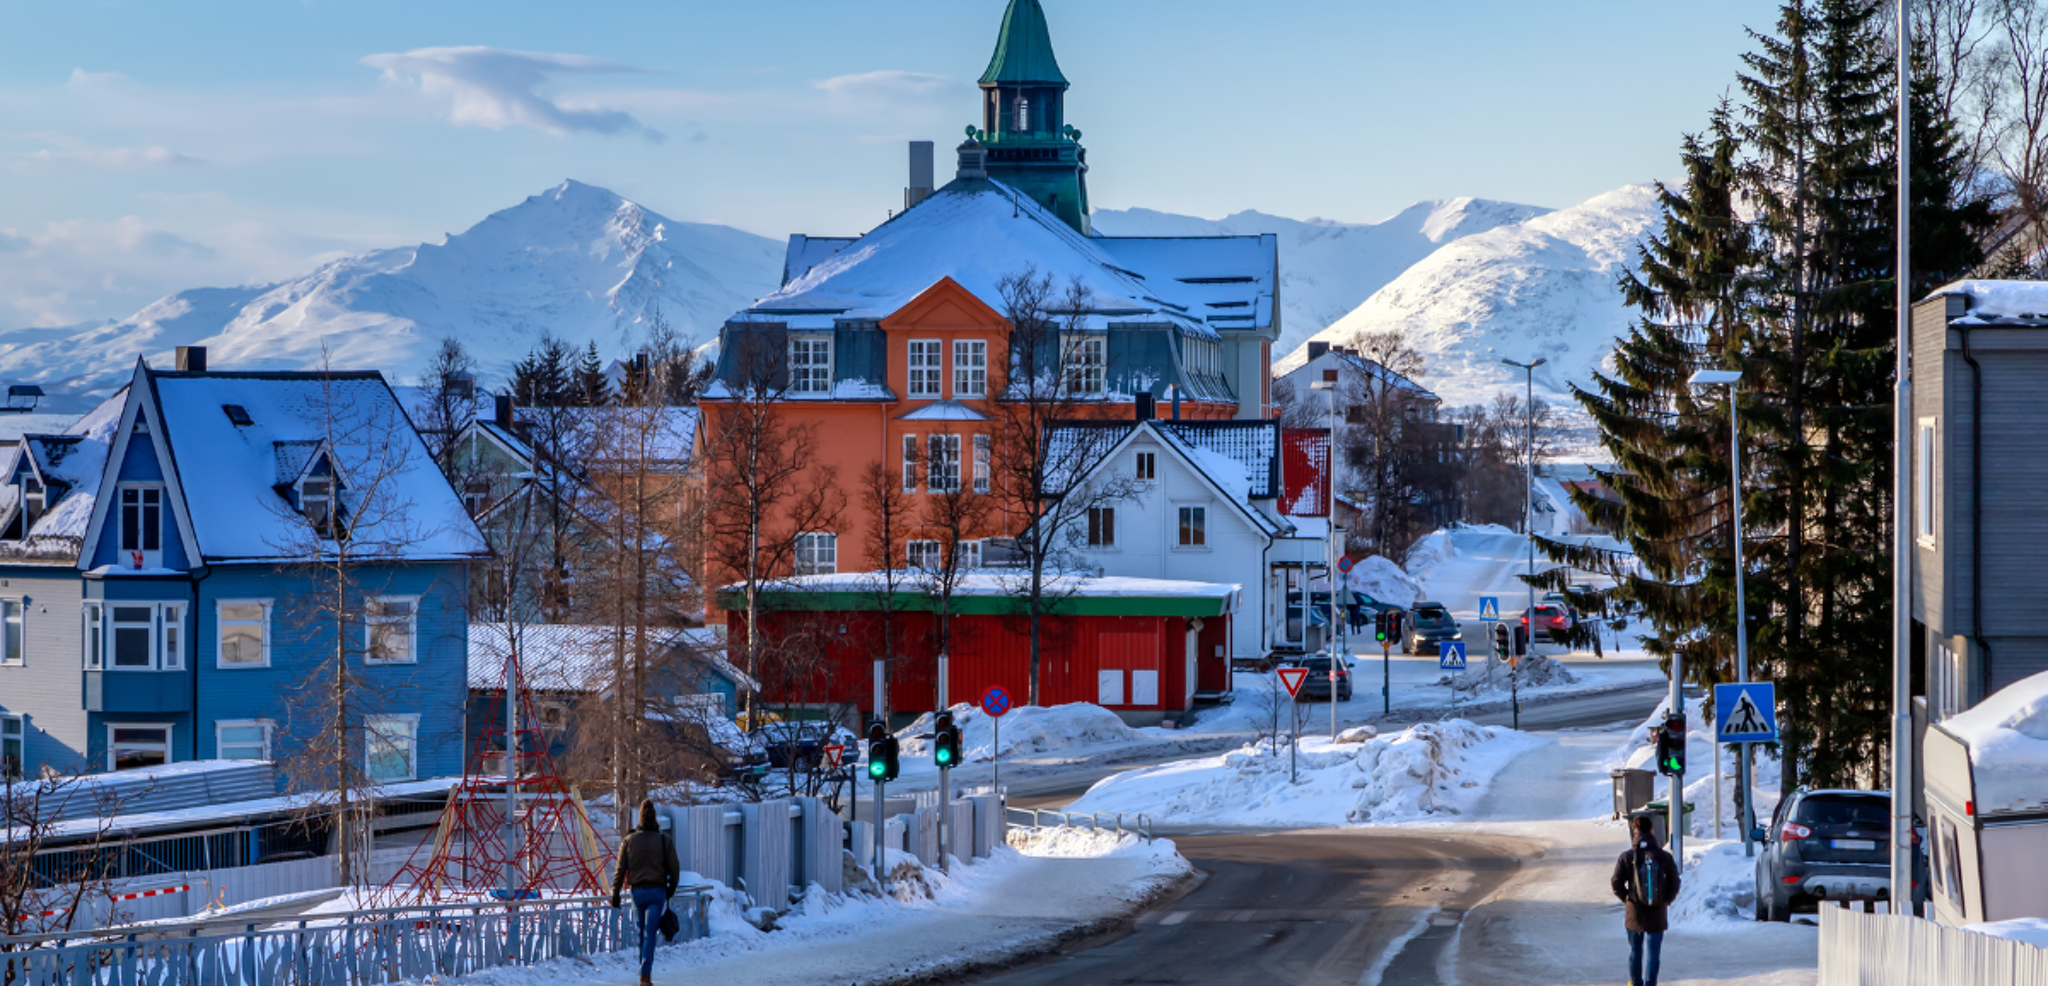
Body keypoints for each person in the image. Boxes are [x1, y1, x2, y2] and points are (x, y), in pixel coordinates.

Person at [611, 800, 680, 986]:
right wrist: (670, 890)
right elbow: (675, 869)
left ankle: (644, 974)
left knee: (641, 933)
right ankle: (645, 976)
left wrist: (615, 893)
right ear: (654, 817)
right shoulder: (664, 841)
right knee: (650, 933)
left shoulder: (629, 841)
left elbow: (620, 869)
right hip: (657, 892)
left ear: (639, 818)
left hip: (637, 893)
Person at [1610, 813, 1681, 986]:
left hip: (1635, 910)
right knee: (1654, 951)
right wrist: (1666, 899)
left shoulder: (1627, 857)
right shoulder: (1663, 856)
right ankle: (1651, 983)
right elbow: (1674, 881)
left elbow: (1616, 882)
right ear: (1651, 830)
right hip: (1657, 910)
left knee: (1635, 950)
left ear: (1635, 832)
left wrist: (1627, 898)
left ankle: (1635, 983)